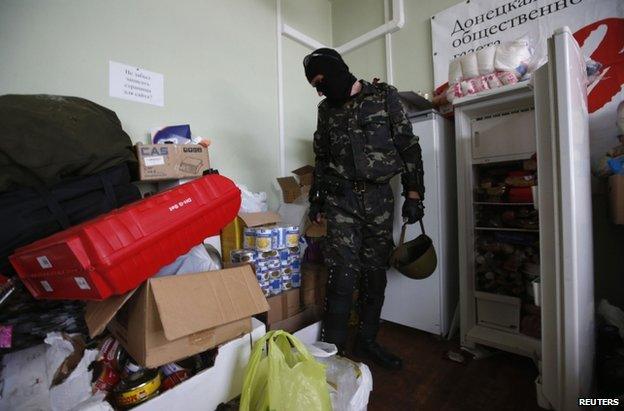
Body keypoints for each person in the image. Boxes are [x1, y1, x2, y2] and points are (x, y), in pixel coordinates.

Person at [303, 48, 425, 370]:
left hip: (379, 200)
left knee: (374, 275)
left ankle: (368, 342)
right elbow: (322, 157)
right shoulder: (326, 110)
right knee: (341, 275)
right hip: (340, 200)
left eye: (320, 81)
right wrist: (317, 199)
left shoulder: (384, 97)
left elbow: (408, 147)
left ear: (336, 71)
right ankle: (333, 350)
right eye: (314, 85)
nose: (319, 90)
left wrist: (414, 193)